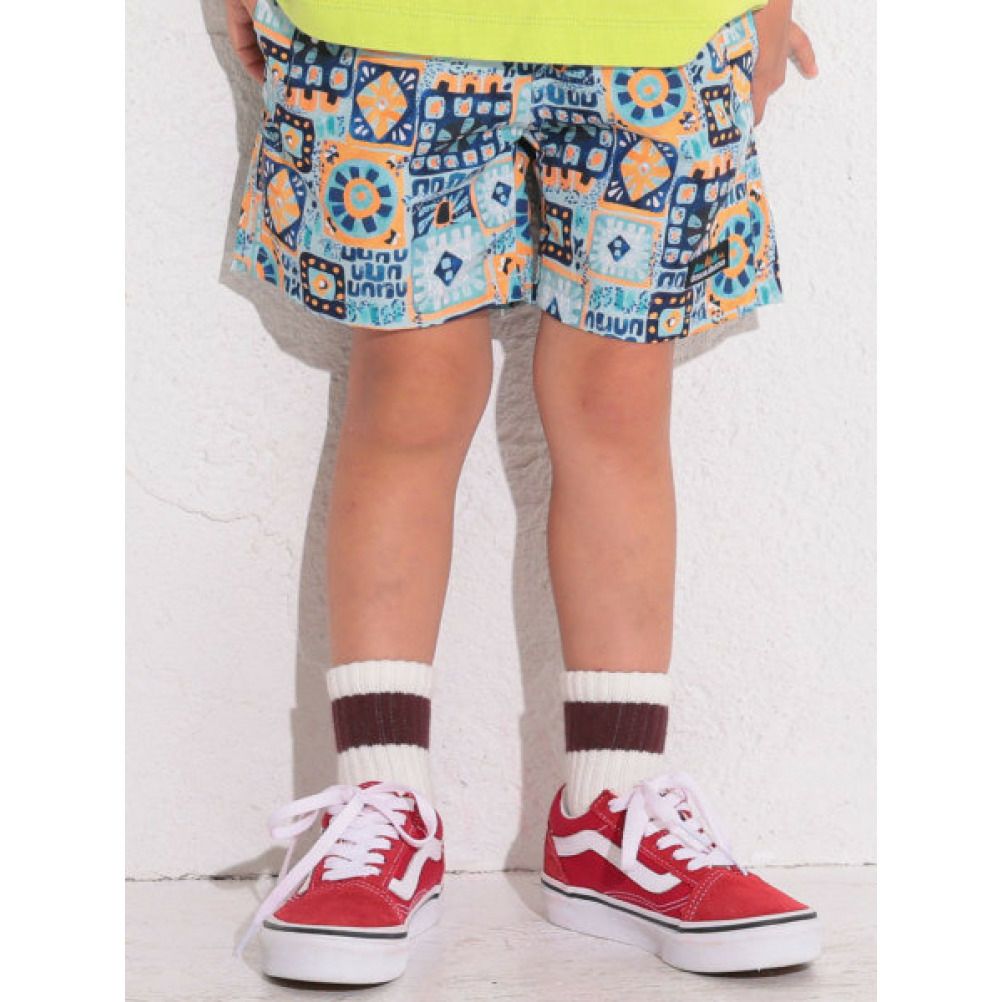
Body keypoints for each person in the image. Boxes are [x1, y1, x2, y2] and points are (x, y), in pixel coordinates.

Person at [225, 0, 821, 984]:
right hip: (390, 27)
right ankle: (382, 793)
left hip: (655, 33)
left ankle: (609, 808)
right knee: (409, 393)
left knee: (618, 402)